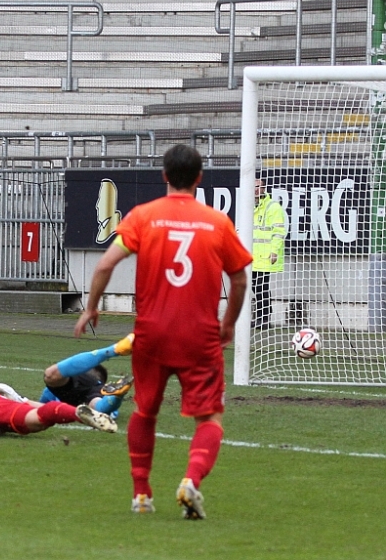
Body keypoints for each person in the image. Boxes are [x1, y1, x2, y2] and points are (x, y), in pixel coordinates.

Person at [73, 144, 251, 520]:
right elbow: (239, 280)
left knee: (145, 412)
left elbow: (105, 264)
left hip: (151, 334)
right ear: (199, 178)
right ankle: (191, 481)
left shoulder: (144, 216)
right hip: (199, 336)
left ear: (164, 176)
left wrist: (91, 307)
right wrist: (228, 324)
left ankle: (141, 494)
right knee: (209, 418)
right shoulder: (217, 222)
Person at [0, 333, 135, 417]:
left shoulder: (66, 386)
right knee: (96, 408)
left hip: (84, 386)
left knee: (51, 376)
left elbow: (43, 407)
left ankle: (114, 350)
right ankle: (117, 395)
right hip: (97, 390)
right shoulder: (98, 390)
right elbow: (108, 412)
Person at [252, 178, 287, 328]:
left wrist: (274, 251)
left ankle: (264, 317)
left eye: (258, 187)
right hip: (253, 256)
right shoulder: (249, 206)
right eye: (253, 187)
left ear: (264, 188)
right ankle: (262, 315)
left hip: (265, 256)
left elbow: (279, 231)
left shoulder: (273, 207)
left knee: (261, 286)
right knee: (255, 286)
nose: (255, 190)